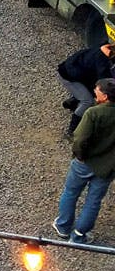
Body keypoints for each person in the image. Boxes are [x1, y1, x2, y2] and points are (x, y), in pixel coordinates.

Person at [54, 78, 115, 244]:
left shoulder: (93, 113)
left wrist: (79, 155)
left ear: (105, 96)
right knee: (93, 201)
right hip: (107, 167)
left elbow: (80, 138)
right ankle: (79, 235)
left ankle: (63, 226)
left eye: (97, 89)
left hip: (85, 161)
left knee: (71, 192)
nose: (95, 90)